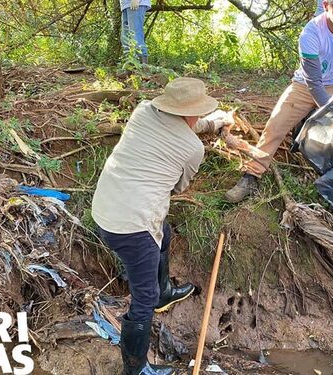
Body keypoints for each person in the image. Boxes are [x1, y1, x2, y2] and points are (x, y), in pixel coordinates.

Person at [92, 77, 233, 375]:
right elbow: (179, 186)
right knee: (142, 299)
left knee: (164, 234)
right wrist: (207, 129)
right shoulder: (193, 149)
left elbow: (181, 127)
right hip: (131, 226)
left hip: (105, 206)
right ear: (192, 111)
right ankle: (136, 369)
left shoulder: (143, 110)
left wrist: (214, 122)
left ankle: (164, 290)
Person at [225, 0, 333, 203]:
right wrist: (331, 110)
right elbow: (314, 82)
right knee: (276, 125)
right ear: (326, 6)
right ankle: (252, 174)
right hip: (305, 85)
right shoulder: (312, 32)